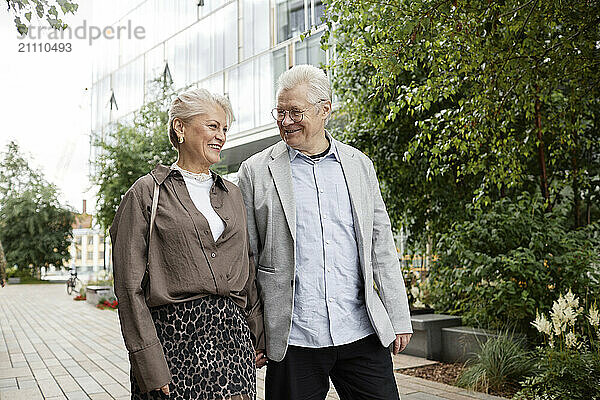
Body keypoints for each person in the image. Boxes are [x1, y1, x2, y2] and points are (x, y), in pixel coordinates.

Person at [237, 64, 413, 400]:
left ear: (325, 110)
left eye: (295, 111)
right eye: (280, 111)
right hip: (294, 337)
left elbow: (381, 245)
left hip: (360, 331)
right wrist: (255, 329)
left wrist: (398, 315)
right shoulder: (255, 171)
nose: (286, 121)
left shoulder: (359, 165)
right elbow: (247, 257)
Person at [110, 88, 266, 400]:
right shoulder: (145, 193)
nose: (221, 136)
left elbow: (246, 269)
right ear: (180, 128)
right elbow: (129, 287)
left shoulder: (232, 194)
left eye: (224, 128)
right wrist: (148, 364)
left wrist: (258, 335)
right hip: (173, 345)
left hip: (233, 344)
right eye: (212, 126)